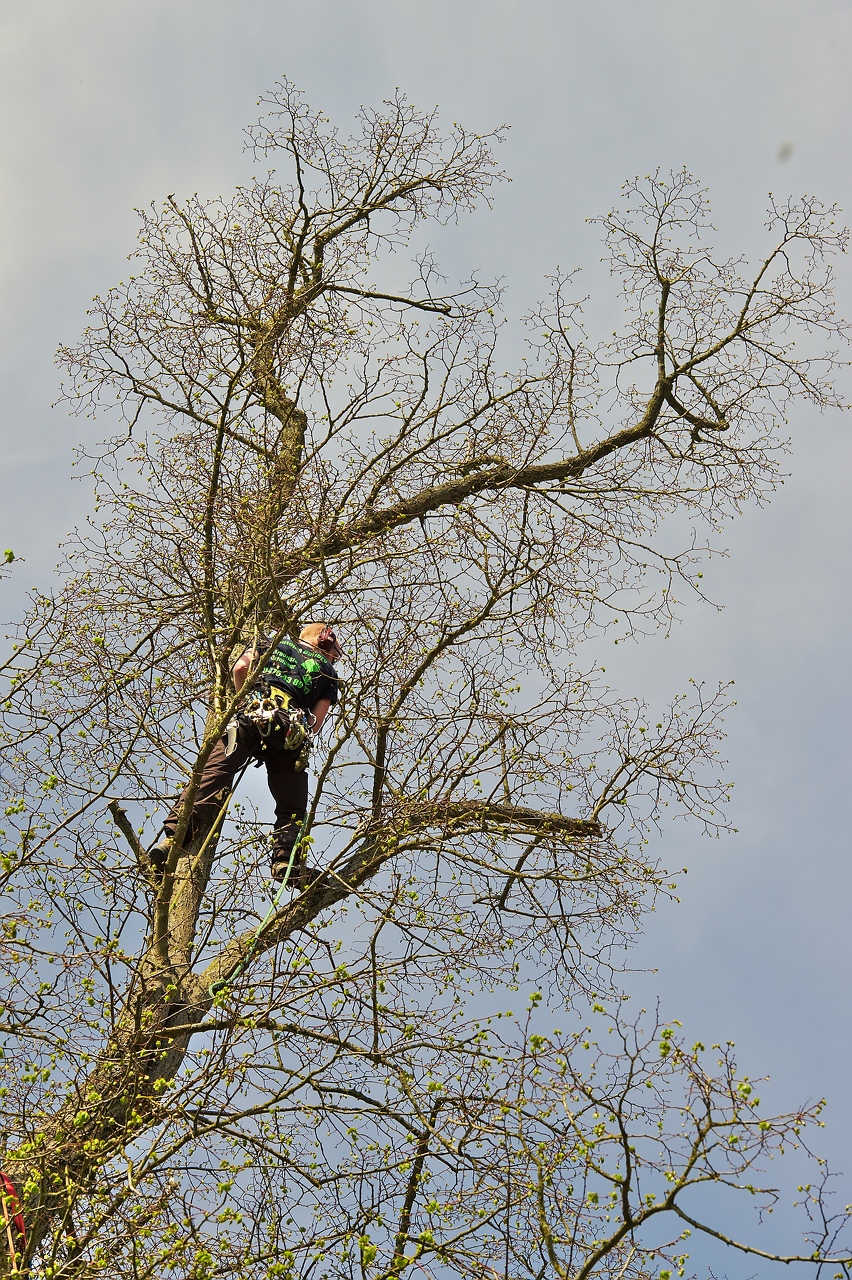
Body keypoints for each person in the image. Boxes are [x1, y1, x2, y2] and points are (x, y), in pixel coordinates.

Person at [148, 622, 342, 890]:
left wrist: (241, 702)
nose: (335, 658)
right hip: (287, 731)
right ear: (326, 643)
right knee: (292, 806)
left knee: (211, 776)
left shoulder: (271, 644)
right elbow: (315, 724)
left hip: (249, 717)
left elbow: (240, 668)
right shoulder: (329, 673)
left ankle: (170, 841)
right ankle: (285, 862)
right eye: (336, 653)